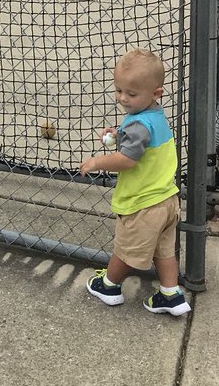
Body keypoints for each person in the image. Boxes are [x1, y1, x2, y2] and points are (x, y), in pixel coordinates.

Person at [79, 48, 191, 317]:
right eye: (119, 90)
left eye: (131, 94)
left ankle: (108, 286)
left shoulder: (139, 124)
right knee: (164, 252)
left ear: (156, 93)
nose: (123, 98)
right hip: (167, 200)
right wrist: (119, 134)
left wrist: (97, 162)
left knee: (124, 249)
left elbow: (128, 160)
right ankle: (170, 294)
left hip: (143, 204)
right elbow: (141, 141)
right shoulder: (154, 115)